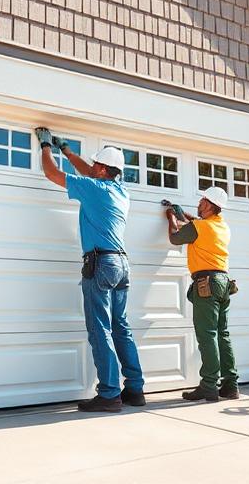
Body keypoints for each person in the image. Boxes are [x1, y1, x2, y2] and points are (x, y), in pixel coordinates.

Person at [35, 127, 145, 412]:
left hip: (101, 265)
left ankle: (109, 394)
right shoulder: (121, 191)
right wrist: (67, 151)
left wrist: (46, 147)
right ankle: (135, 389)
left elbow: (52, 174)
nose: (92, 167)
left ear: (103, 169)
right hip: (121, 265)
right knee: (120, 327)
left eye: (96, 164)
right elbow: (89, 172)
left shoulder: (94, 188)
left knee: (100, 328)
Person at [165, 187, 239, 402]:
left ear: (209, 205)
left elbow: (175, 238)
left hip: (206, 283)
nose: (199, 203)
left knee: (207, 336)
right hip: (224, 282)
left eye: (202, 200)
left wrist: (171, 217)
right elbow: (198, 224)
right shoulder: (222, 226)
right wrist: (183, 213)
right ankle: (230, 385)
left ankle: (209, 386)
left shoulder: (200, 227)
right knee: (222, 334)